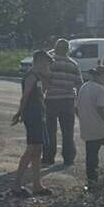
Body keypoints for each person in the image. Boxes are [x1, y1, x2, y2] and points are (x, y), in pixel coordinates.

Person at [11, 50, 53, 196]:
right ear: (40, 61)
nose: (48, 67)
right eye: (47, 64)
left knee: (38, 150)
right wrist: (19, 113)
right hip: (33, 115)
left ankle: (37, 184)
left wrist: (47, 79)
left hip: (39, 114)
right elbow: (25, 96)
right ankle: (16, 184)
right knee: (31, 149)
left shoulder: (39, 77)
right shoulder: (31, 76)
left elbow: (42, 94)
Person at [43, 38, 84, 167]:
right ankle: (68, 158)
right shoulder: (73, 64)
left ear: (56, 48)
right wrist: (78, 102)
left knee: (50, 130)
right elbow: (79, 84)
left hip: (51, 100)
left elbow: (45, 79)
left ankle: (49, 157)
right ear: (67, 50)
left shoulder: (51, 63)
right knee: (68, 131)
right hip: (68, 100)